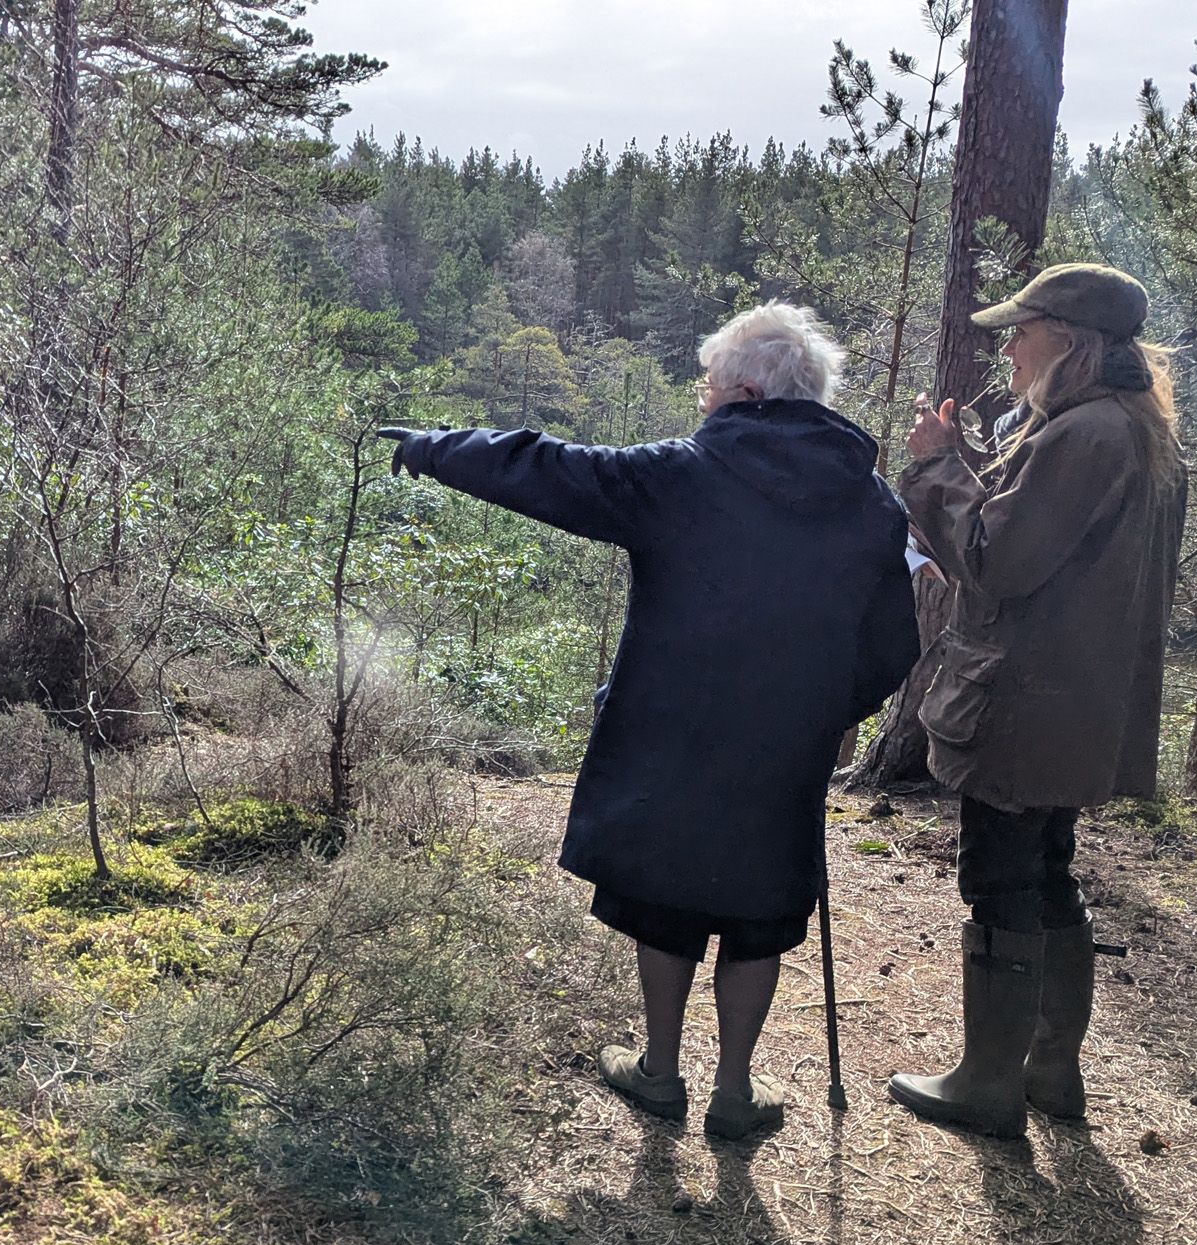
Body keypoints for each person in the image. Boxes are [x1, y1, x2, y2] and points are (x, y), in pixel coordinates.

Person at [380, 303, 919, 1140]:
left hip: (674, 733)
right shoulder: (873, 504)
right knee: (758, 910)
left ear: (741, 391)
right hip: (787, 744)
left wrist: (431, 447)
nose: (701, 402)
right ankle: (735, 1093)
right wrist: (827, 707)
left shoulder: (684, 475)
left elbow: (548, 469)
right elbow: (892, 644)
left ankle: (661, 1072)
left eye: (707, 387)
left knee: (668, 896)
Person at [889, 263, 1188, 1138]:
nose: (1007, 344)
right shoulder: (1132, 431)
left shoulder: (1084, 435)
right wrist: (974, 464)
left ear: (1071, 340)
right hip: (1077, 704)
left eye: (1023, 328)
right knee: (1050, 874)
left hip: (1024, 703)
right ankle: (1051, 1073)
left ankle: (987, 1085)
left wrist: (938, 467)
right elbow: (1052, 544)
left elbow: (998, 562)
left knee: (1002, 884)